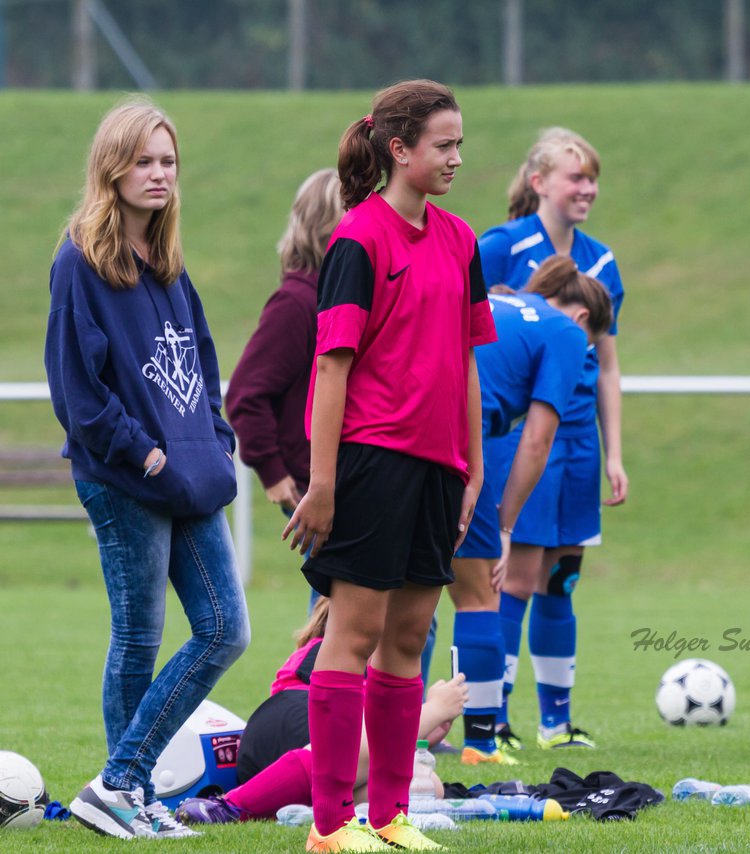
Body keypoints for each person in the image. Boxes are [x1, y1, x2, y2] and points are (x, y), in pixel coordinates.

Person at [282, 78, 496, 852]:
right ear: (399, 150)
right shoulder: (357, 241)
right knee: (356, 633)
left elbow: (470, 361)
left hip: (439, 469)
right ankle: (332, 827)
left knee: (409, 638)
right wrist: (325, 483)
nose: (456, 159)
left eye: (459, 144)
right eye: (443, 145)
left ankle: (390, 816)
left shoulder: (462, 239)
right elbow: (332, 368)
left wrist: (470, 470)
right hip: (371, 463)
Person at [45, 98, 250, 841]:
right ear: (112, 168)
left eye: (168, 162)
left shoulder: (167, 264)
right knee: (139, 635)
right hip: (126, 476)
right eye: (144, 161)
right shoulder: (80, 259)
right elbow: (77, 389)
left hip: (192, 474)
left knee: (226, 628)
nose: (159, 174)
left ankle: (120, 782)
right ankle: (125, 791)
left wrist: (214, 434)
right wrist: (145, 449)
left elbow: (200, 357)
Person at [477, 127, 627, 751]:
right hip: (519, 430)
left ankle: (555, 723)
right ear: (539, 182)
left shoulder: (601, 260)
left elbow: (610, 362)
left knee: (561, 580)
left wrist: (615, 451)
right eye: (575, 176)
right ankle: (496, 719)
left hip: (576, 441)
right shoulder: (499, 247)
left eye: (592, 177)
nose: (586, 187)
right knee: (513, 577)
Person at [449, 256, 612, 765]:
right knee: (479, 598)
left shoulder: (497, 300)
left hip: (392, 429)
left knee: (396, 598)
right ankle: (481, 742)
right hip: (456, 440)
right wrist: (503, 524)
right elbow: (538, 439)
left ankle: (394, 734)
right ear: (584, 321)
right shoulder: (565, 333)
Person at [175, 597, 468, 824]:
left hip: (279, 743)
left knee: (427, 784)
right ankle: (228, 806)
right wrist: (434, 710)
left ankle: (296, 804)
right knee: (374, 753)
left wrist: (426, 736)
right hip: (299, 722)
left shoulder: (340, 646)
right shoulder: (343, 650)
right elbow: (377, 728)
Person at [226, 168, 343, 519]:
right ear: (327, 227)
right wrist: (273, 473)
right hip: (313, 488)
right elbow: (246, 395)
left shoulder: (336, 298)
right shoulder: (295, 303)